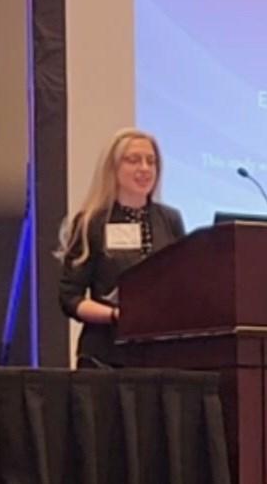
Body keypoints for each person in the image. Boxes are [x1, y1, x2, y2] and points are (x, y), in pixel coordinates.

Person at [58, 128, 186, 367]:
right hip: (105, 356)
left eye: (151, 161)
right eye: (133, 160)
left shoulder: (170, 219)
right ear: (113, 168)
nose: (145, 168)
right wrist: (116, 316)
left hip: (162, 355)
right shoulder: (91, 222)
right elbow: (70, 298)